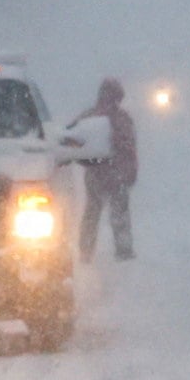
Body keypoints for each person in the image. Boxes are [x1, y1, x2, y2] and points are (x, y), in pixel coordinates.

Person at [67, 76, 139, 262]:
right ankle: (123, 253)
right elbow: (130, 150)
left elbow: (70, 136)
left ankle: (86, 252)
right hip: (117, 176)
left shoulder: (89, 116)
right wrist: (131, 174)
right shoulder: (123, 119)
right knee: (119, 216)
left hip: (96, 175)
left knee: (91, 215)